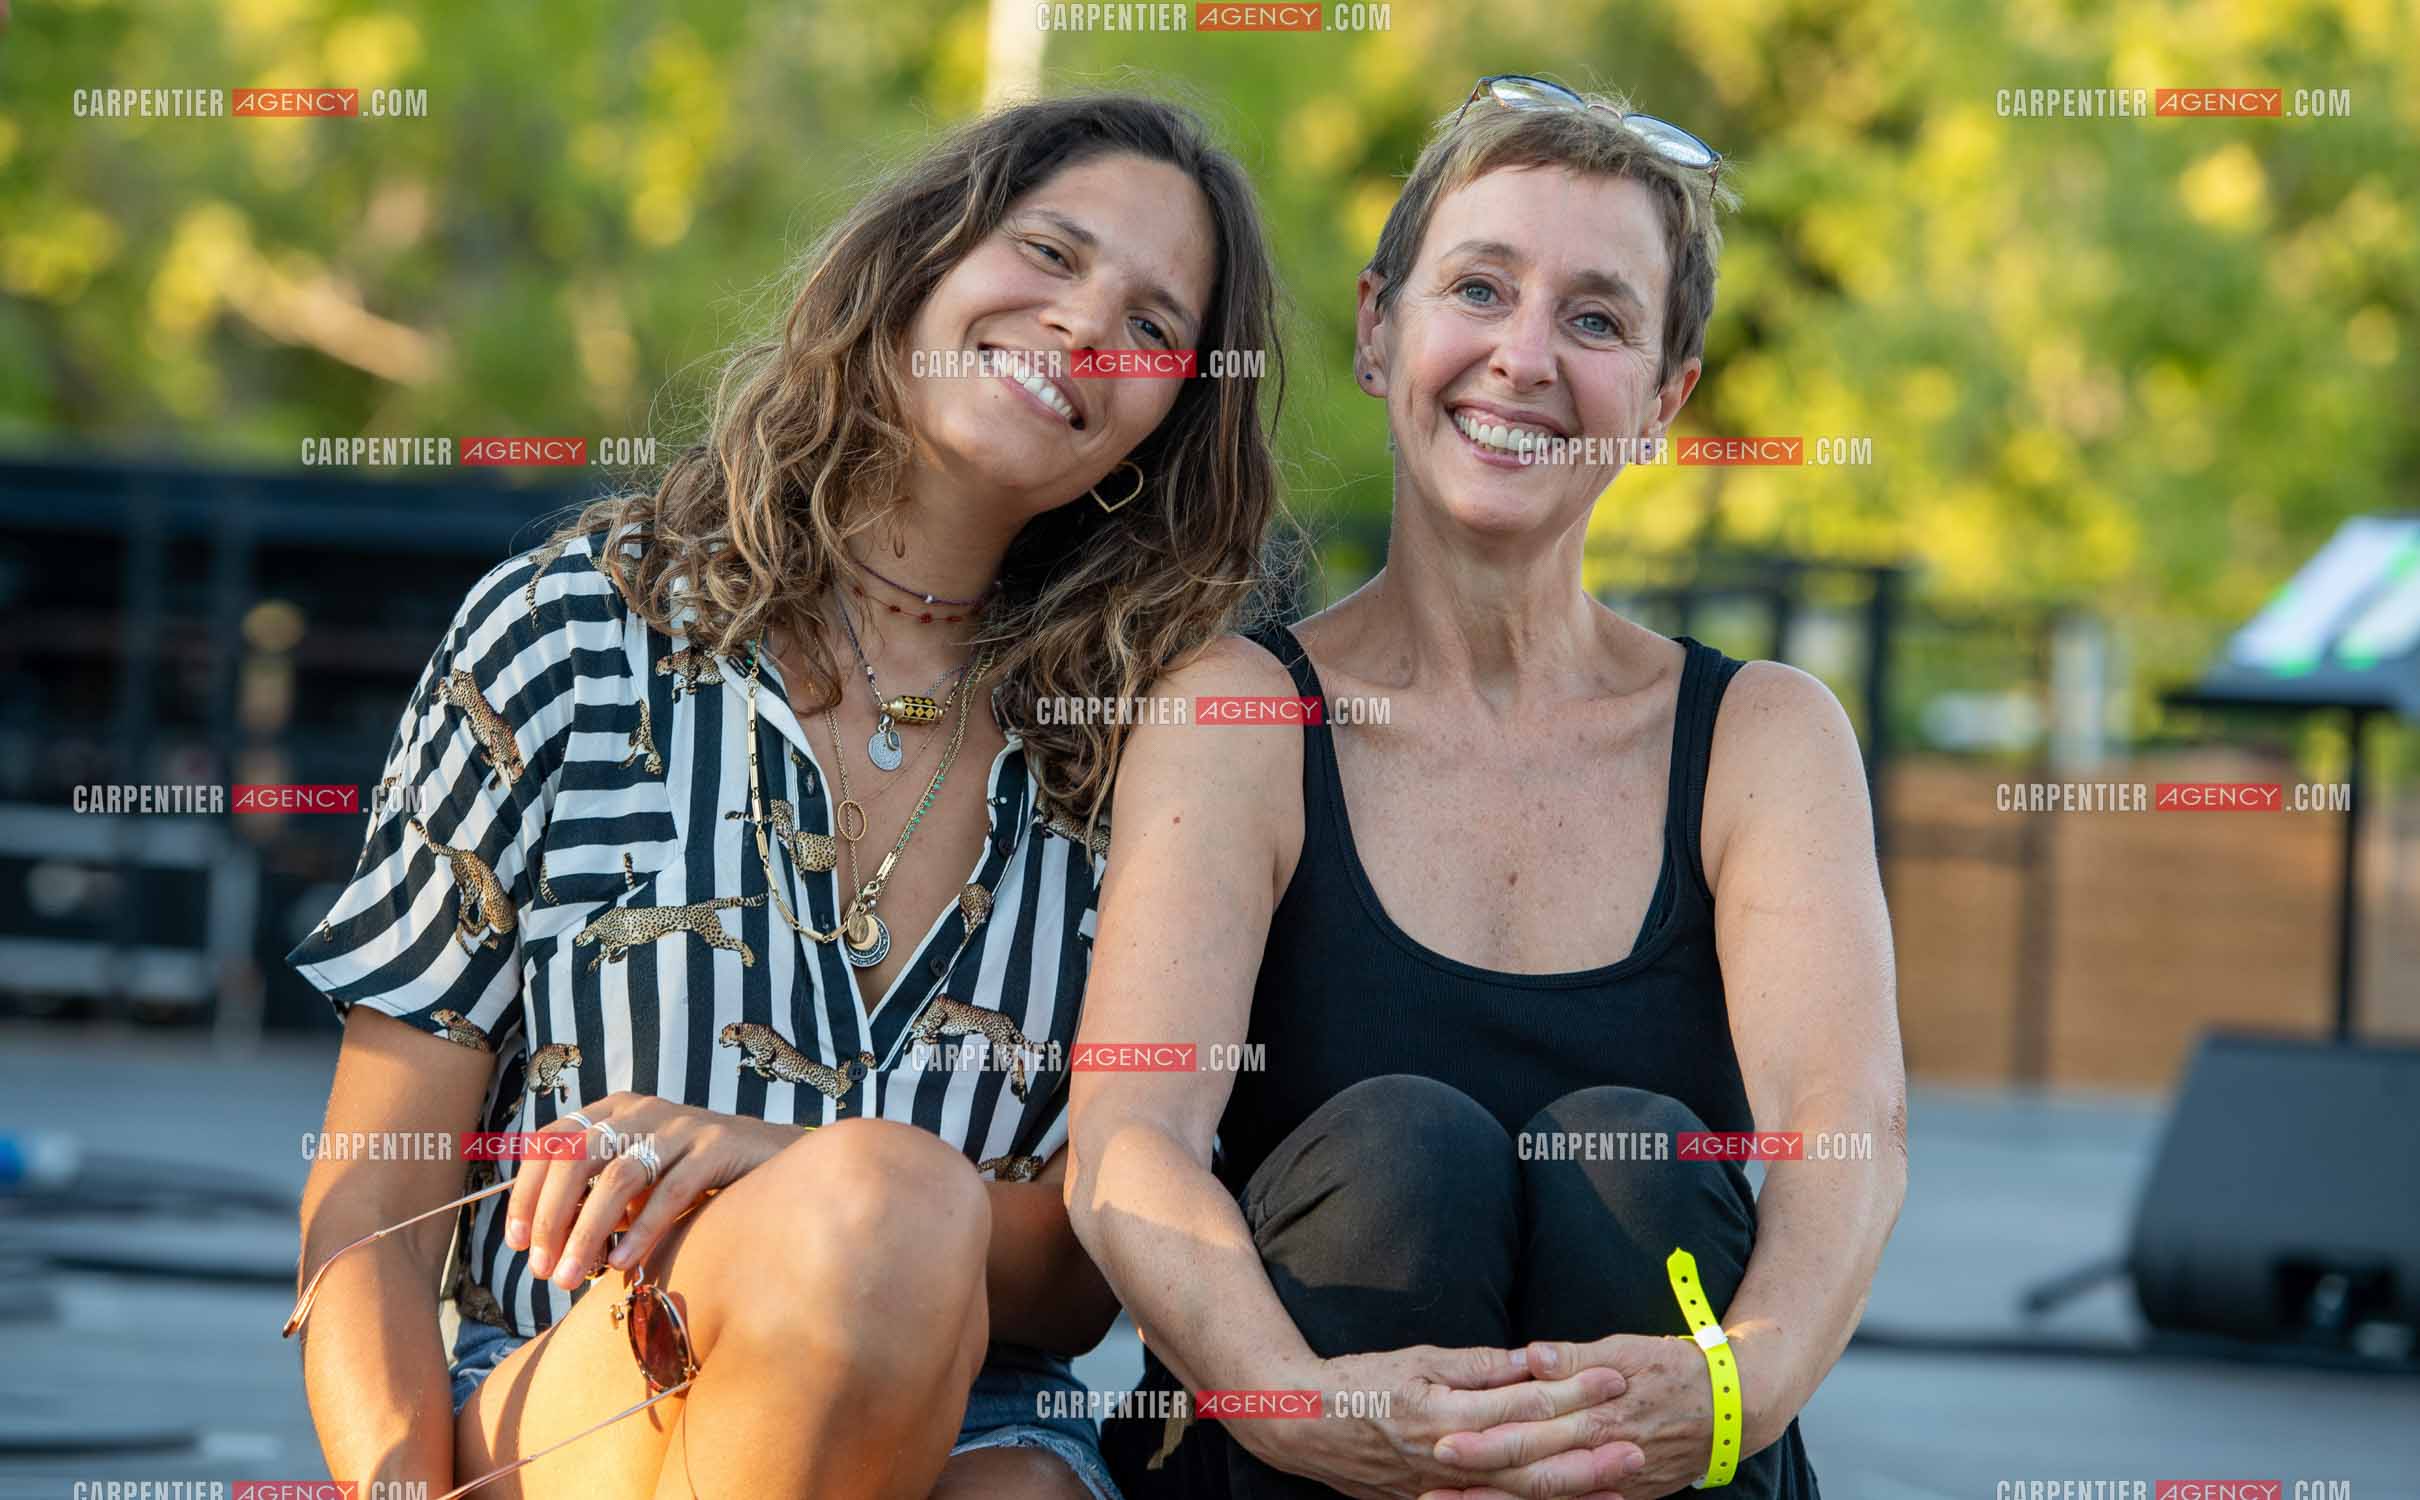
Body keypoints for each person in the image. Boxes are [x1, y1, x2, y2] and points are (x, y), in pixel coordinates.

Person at [289, 92, 1287, 1500]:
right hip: (581, 1394)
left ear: (1169, 421)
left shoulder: (1143, 750)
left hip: (981, 1416)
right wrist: (393, 1485)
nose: (1082, 326)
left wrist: (804, 1168)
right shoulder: (570, 634)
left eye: (1150, 323)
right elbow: (373, 1207)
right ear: (918, 263)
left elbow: (1078, 1280)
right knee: (881, 1208)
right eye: (1050, 257)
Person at [1066, 76, 1905, 1499]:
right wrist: (1297, 1402)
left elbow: (1844, 1136)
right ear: (1380, 329)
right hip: (1293, 1446)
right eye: (1481, 288)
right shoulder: (1237, 714)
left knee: (1628, 1161)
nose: (1525, 358)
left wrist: (1740, 1384)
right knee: (1406, 1157)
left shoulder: (1764, 737)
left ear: (1661, 400)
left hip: (1645, 1454)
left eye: (1596, 318)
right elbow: (1128, 1149)